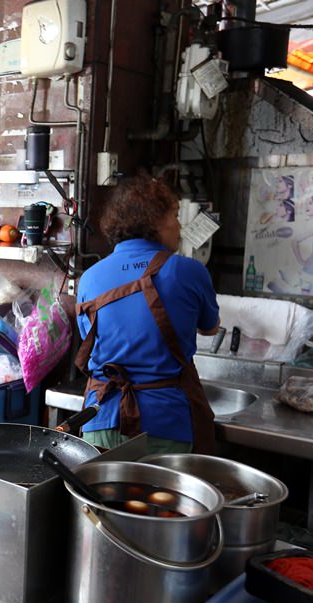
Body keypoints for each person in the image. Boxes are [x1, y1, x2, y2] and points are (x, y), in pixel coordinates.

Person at [75, 174, 220, 455]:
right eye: (175, 216)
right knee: (162, 499)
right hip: (166, 422)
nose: (180, 226)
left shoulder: (89, 279)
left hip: (101, 419)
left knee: (103, 499)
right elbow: (210, 328)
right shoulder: (188, 271)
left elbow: (95, 341)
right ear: (153, 221)